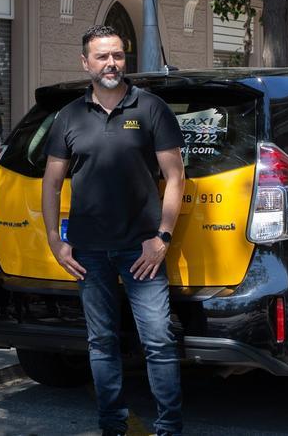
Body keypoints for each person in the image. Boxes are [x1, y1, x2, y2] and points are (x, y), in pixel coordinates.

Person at [42, 24, 186, 436]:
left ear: (126, 59)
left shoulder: (151, 108)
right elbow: (51, 183)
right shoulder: (68, 117)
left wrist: (162, 238)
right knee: (101, 343)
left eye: (118, 55)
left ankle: (169, 428)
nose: (111, 63)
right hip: (88, 251)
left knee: (158, 342)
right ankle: (112, 426)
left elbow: (175, 177)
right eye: (102, 56)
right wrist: (55, 239)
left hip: (142, 250)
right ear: (85, 62)